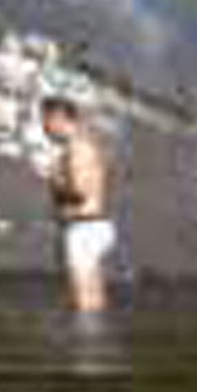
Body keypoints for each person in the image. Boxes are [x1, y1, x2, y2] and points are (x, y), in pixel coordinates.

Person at [41, 94, 114, 311]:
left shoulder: (76, 148)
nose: (45, 128)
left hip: (84, 228)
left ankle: (86, 343)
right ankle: (97, 342)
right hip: (93, 225)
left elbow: (80, 191)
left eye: (46, 121)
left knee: (83, 304)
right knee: (95, 303)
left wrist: (55, 181)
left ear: (59, 118)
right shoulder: (85, 144)